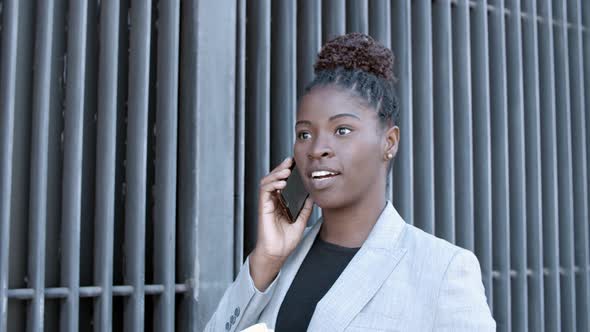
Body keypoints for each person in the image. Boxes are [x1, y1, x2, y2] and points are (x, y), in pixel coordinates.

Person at [205, 32, 496, 331]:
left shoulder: (443, 270)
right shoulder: (278, 262)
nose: (317, 148)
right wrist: (266, 258)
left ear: (389, 142)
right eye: (305, 134)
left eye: (342, 130)